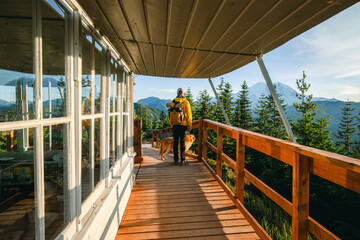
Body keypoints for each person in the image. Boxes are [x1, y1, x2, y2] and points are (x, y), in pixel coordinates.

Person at [169, 88, 192, 165]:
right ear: (183, 93)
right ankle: (183, 160)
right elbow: (189, 115)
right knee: (182, 142)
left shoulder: (173, 102)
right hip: (183, 125)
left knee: (175, 142)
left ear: (177, 93)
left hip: (175, 125)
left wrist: (171, 124)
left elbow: (170, 115)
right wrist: (189, 125)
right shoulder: (186, 102)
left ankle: (175, 160)